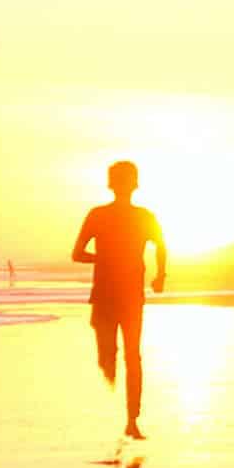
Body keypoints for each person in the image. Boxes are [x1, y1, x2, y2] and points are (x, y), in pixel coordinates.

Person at [72, 160, 166, 439]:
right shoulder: (98, 215)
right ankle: (120, 402)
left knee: (132, 356)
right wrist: (107, 258)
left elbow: (161, 246)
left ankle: (132, 421)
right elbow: (77, 253)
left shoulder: (143, 216)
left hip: (127, 295)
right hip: (108, 294)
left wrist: (161, 274)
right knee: (110, 356)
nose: (124, 185)